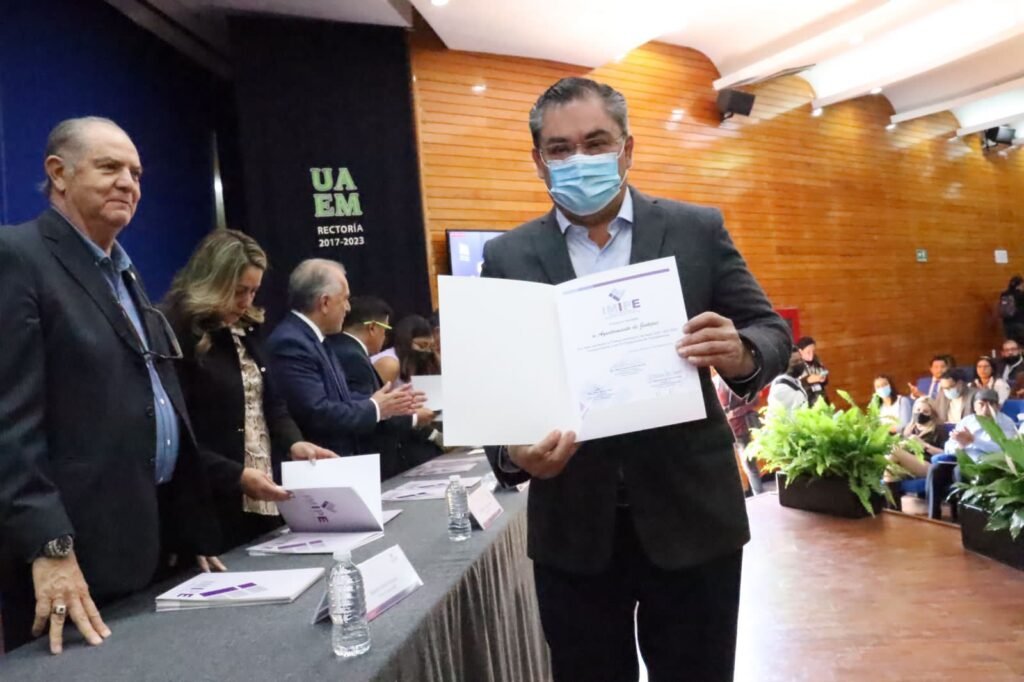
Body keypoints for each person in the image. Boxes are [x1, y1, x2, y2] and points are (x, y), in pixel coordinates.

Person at [480, 77, 790, 682]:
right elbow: (496, 389)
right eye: (560, 148)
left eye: (596, 142)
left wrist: (741, 352)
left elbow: (769, 329)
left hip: (693, 518)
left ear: (627, 148)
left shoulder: (696, 229)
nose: (579, 159)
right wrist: (513, 454)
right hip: (574, 528)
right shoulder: (508, 256)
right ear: (539, 160)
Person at [0, 117, 218, 653]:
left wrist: (187, 525)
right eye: (109, 167)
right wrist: (50, 546)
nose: (128, 183)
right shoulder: (18, 256)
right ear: (59, 173)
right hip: (74, 561)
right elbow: (9, 421)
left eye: (136, 174)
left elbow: (151, 400)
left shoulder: (122, 272)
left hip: (149, 544)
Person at [163, 230, 338, 554]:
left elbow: (270, 403)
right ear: (212, 281)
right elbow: (178, 435)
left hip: (262, 492)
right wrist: (236, 475)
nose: (246, 301)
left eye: (253, 291)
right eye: (238, 291)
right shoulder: (176, 331)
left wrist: (294, 442)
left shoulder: (247, 328)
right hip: (211, 500)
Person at [265, 259, 421, 458]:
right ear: (325, 302)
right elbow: (316, 411)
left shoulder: (317, 339)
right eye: (345, 299)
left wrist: (386, 403)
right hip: (317, 461)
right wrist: (375, 407)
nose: (348, 308)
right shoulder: (291, 342)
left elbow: (340, 398)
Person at [325, 296, 438, 477]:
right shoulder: (354, 357)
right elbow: (369, 410)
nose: (385, 337)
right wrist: (413, 417)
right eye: (385, 329)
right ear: (372, 328)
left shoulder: (342, 350)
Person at [713, 371, 764, 494]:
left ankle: (758, 494)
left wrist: (734, 413)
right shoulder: (716, 381)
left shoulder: (734, 379)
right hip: (728, 429)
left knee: (749, 465)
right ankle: (753, 494)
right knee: (737, 465)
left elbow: (754, 399)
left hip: (739, 428)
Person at [944, 389, 1019, 463]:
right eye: (981, 405)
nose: (985, 410)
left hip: (993, 463)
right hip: (966, 461)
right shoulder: (967, 421)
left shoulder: (1006, 422)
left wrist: (973, 440)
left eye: (990, 405)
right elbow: (948, 448)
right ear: (974, 407)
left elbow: (1007, 450)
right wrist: (961, 445)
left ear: (998, 407)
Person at [372, 315, 441, 387]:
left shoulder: (415, 365)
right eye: (421, 346)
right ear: (406, 341)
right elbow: (373, 393)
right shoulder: (389, 363)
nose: (427, 351)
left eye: (430, 347)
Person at [886, 398, 946, 480]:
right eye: (918, 410)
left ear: (932, 414)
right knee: (890, 459)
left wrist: (924, 445)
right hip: (906, 464)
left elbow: (945, 453)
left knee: (895, 452)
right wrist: (905, 438)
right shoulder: (908, 429)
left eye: (925, 412)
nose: (920, 413)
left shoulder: (939, 430)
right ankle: (889, 486)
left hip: (928, 465)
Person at [797, 336, 829, 405]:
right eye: (808, 352)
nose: (811, 355)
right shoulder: (795, 365)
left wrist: (823, 379)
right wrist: (807, 380)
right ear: (800, 351)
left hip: (821, 399)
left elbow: (825, 381)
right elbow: (793, 385)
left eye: (813, 351)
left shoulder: (817, 361)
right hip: (805, 402)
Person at [999, 275, 1024, 342]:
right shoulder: (1021, 294)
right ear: (1019, 285)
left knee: (1011, 343)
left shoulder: (1004, 294)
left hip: (1007, 324)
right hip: (1020, 322)